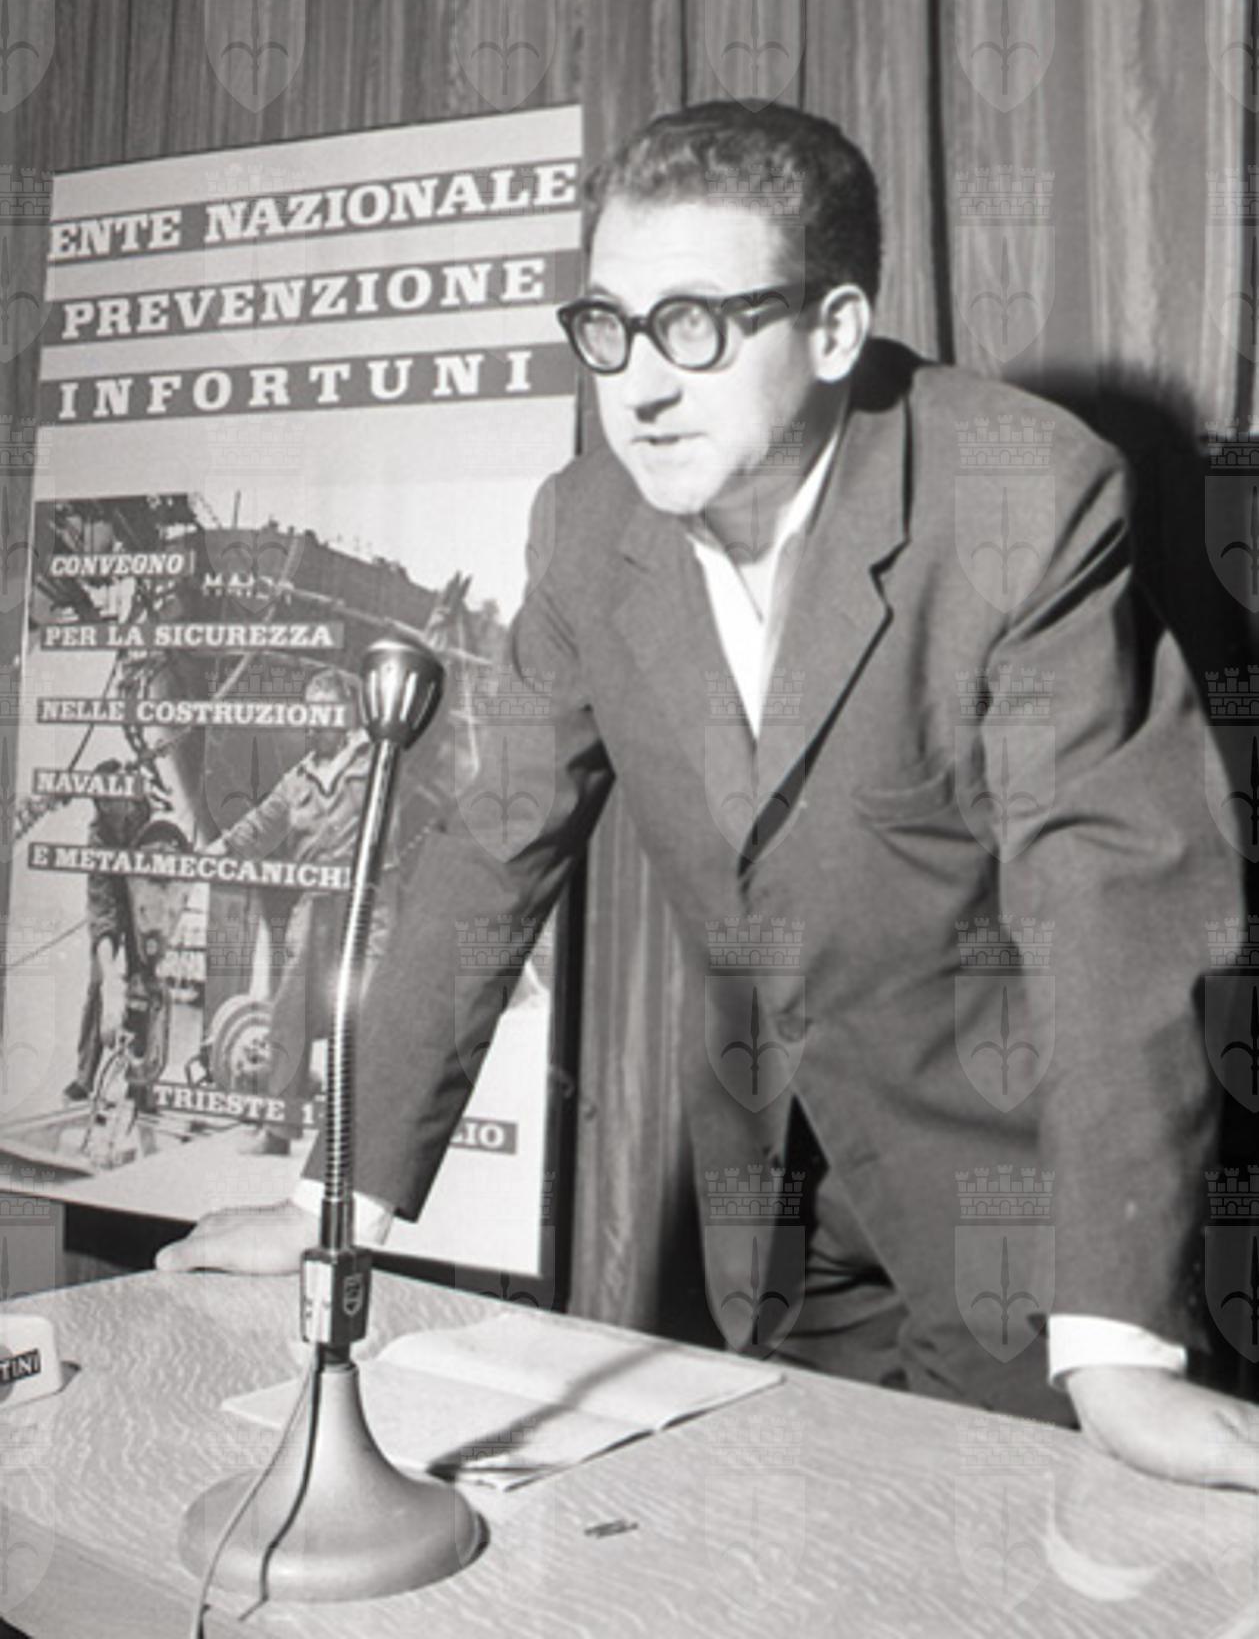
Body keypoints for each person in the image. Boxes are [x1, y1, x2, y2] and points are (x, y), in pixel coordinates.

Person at [161, 102, 1256, 1489]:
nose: (637, 386)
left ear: (834, 328)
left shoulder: (1020, 495)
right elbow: (491, 851)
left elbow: (1109, 907)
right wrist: (336, 1201)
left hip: (1014, 1198)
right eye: (609, 326)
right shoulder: (584, 524)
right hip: (767, 1188)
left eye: (693, 327)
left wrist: (1118, 1345)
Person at [205, 666, 396, 1154]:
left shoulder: (380, 761)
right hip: (315, 908)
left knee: (370, 1011)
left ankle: (369, 1136)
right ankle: (278, 1131)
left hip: (368, 902)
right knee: (289, 1010)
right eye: (309, 712)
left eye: (324, 710)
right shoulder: (297, 781)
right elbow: (258, 828)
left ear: (348, 713)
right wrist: (212, 854)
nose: (314, 722)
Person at [64, 765, 153, 1101]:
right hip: (114, 899)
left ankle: (141, 1079)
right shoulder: (97, 839)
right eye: (113, 797)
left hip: (143, 898)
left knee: (145, 982)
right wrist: (111, 981)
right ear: (101, 804)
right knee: (99, 982)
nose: (122, 802)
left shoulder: (142, 809)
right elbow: (102, 915)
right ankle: (84, 1077)